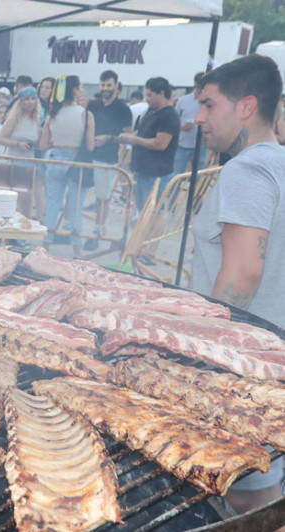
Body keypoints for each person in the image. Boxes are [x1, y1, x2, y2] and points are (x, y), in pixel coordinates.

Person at [191, 54, 285, 522]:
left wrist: (197, 355)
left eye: (208, 104)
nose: (199, 117)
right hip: (274, 356)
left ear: (246, 107)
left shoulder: (245, 170)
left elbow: (242, 274)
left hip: (245, 368)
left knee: (249, 498)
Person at [39, 75, 94, 257]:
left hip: (54, 159)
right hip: (75, 162)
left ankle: (45, 249)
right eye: (80, 87)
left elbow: (42, 145)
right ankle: (77, 253)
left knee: (53, 206)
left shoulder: (53, 113)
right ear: (74, 90)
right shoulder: (85, 114)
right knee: (76, 208)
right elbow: (90, 146)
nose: (83, 91)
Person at [118, 77, 179, 212]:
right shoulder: (151, 112)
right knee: (143, 211)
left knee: (154, 213)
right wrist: (130, 137)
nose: (147, 98)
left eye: (150, 95)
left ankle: (153, 234)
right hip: (144, 171)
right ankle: (144, 233)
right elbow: (142, 134)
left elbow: (160, 144)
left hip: (157, 174)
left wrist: (136, 140)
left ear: (161, 94)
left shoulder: (169, 116)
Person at [86, 69, 131, 245]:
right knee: (79, 194)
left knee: (102, 198)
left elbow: (128, 135)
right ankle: (71, 231)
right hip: (87, 156)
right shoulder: (93, 105)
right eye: (103, 84)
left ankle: (97, 232)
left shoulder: (123, 109)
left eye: (109, 85)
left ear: (116, 86)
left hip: (107, 158)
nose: (105, 88)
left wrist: (109, 138)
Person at [0, 86, 41, 216]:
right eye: (27, 99)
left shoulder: (36, 120)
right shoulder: (14, 119)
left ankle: (23, 225)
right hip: (13, 161)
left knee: (27, 198)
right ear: (21, 102)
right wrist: (17, 144)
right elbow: (0, 138)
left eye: (33, 99)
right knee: (15, 198)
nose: (30, 102)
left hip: (29, 162)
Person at [173, 71, 208, 175]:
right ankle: (174, 192)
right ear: (196, 84)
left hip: (201, 146)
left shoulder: (210, 102)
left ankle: (196, 192)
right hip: (182, 145)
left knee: (198, 176)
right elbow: (173, 123)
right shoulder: (183, 101)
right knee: (176, 175)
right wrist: (182, 127)